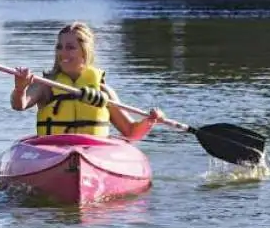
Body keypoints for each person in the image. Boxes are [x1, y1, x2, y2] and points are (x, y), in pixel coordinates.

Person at [10, 21, 163, 141]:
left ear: (85, 51)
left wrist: (150, 121)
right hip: (52, 150)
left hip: (93, 152)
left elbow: (131, 132)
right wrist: (20, 88)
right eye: (59, 47)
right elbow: (19, 105)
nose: (63, 52)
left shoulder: (103, 91)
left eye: (70, 47)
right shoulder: (45, 85)